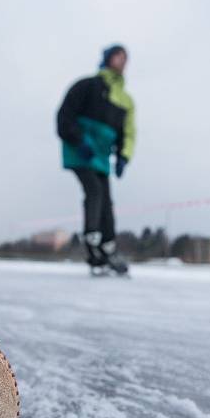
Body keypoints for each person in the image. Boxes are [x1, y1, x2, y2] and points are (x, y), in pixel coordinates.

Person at [57, 44, 135, 276]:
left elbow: (128, 132)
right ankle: (93, 246)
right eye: (118, 56)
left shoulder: (126, 100)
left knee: (106, 200)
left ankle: (108, 248)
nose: (122, 61)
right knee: (94, 191)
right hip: (80, 150)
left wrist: (123, 156)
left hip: (101, 155)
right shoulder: (87, 86)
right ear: (107, 58)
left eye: (125, 58)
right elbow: (65, 115)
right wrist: (78, 140)